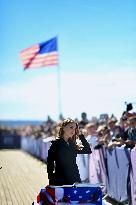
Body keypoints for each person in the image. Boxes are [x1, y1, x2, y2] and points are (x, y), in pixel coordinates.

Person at [47, 118, 91, 186]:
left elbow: (87, 150)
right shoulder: (56, 144)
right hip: (60, 179)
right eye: (71, 127)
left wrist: (80, 135)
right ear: (64, 128)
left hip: (74, 178)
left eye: (75, 128)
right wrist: (51, 180)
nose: (73, 130)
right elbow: (50, 163)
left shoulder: (73, 144)